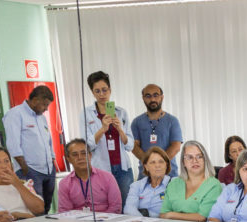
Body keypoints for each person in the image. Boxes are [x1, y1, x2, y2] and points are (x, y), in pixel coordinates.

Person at [4, 85, 56, 212]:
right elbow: (13, 143)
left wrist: (53, 160)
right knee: (35, 210)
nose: (46, 109)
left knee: (47, 207)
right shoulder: (15, 114)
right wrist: (24, 168)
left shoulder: (41, 118)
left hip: (48, 169)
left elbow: (48, 141)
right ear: (36, 100)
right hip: (29, 170)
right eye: (44, 105)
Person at [83, 70, 134, 201]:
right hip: (100, 168)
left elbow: (130, 145)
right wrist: (102, 129)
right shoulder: (86, 114)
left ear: (110, 90)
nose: (102, 94)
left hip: (122, 169)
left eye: (104, 90)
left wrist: (120, 130)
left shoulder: (121, 112)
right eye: (97, 91)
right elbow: (86, 146)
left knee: (126, 206)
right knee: (104, 207)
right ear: (92, 93)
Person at [160, 140, 223, 222]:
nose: (194, 161)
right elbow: (163, 214)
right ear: (183, 162)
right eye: (189, 157)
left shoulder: (214, 185)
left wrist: (171, 214)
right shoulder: (174, 183)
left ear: (205, 160)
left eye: (199, 156)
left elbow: (202, 217)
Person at [58, 139, 123, 214]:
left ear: (90, 155)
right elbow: (65, 212)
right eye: (75, 154)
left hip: (105, 221)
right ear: (68, 159)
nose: (80, 157)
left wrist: (101, 221)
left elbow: (116, 207)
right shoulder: (64, 183)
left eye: (83, 153)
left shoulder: (108, 178)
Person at [130, 84, 182, 176]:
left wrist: (159, 164)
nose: (152, 99)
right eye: (148, 96)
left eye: (155, 95)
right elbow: (134, 146)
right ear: (143, 98)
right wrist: (149, 164)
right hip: (145, 175)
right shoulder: (136, 122)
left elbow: (176, 147)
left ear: (162, 97)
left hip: (169, 175)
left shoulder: (172, 121)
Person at [0, 145, 43, 218]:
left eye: (6, 161)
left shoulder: (23, 184)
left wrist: (17, 183)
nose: (4, 166)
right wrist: (15, 215)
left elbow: (39, 209)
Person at [124, 147, 172, 217]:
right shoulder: (136, 186)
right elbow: (129, 209)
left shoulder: (174, 184)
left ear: (166, 165)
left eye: (161, 162)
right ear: (146, 167)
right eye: (153, 162)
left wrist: (148, 214)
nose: (157, 165)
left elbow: (176, 211)